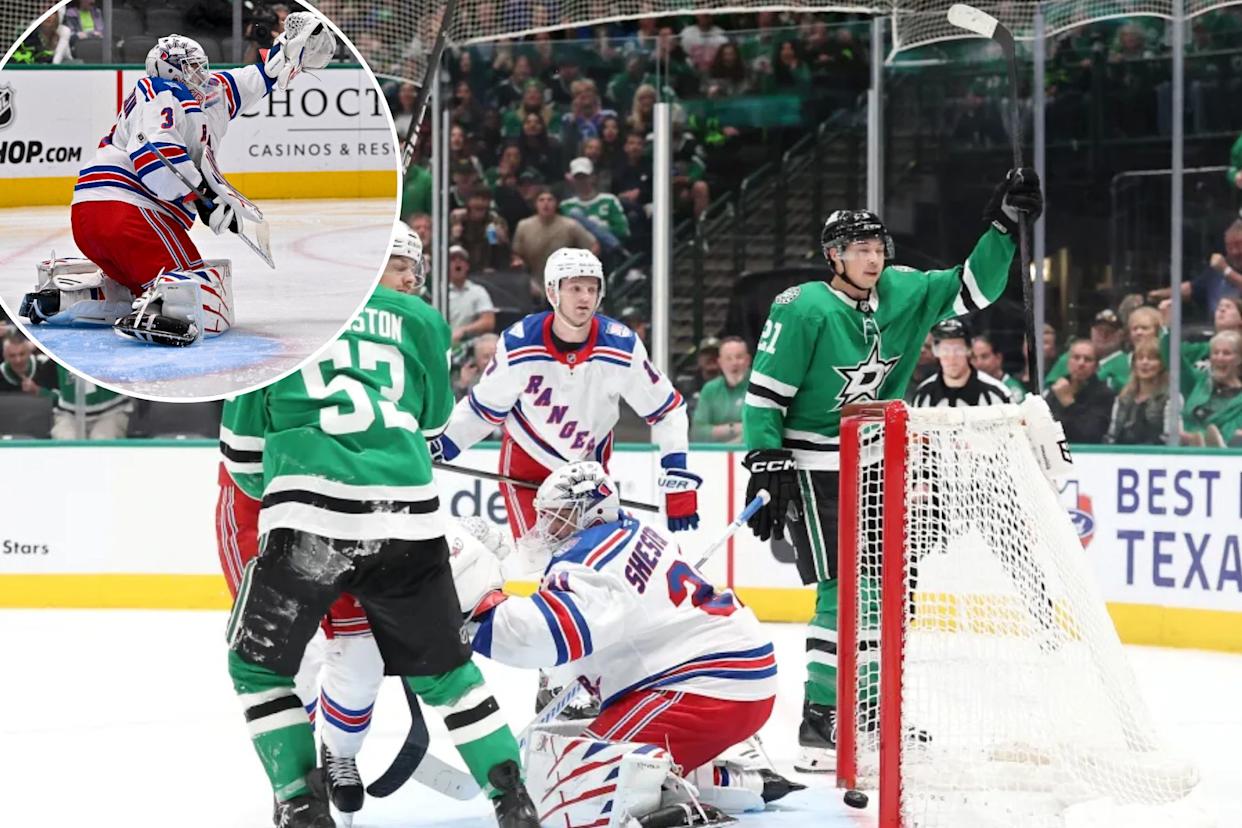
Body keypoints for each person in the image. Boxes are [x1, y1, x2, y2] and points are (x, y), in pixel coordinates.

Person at [223, 224, 538, 828]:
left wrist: (291, 497)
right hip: (411, 519)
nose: (411, 277)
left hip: (311, 518)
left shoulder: (286, 317)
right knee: (449, 674)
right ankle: (512, 801)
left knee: (258, 668)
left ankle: (299, 805)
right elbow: (432, 422)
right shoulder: (419, 317)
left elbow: (242, 459)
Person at [740, 168, 1043, 773]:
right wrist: (765, 457)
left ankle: (871, 713)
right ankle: (822, 721)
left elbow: (973, 289)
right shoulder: (801, 308)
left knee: (889, 595)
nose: (873, 257)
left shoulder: (906, 290)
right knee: (842, 592)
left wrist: (1004, 226)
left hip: (879, 462)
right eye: (859, 249)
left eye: (878, 247)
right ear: (834, 256)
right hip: (816, 465)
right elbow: (765, 394)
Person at [429, 247, 701, 717]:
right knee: (545, 572)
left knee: (598, 574)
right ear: (553, 291)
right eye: (574, 287)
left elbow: (668, 408)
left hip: (589, 482)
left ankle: (594, 673)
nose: (584, 297)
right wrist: (437, 449)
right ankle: (556, 681)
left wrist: (677, 475)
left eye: (592, 287)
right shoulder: (519, 342)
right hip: (527, 478)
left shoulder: (620, 345)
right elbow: (481, 411)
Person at [451, 461, 801, 822]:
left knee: (568, 789)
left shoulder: (592, 562)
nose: (547, 527)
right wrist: (501, 557)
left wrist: (471, 615)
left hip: (706, 689)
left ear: (593, 514)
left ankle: (677, 811)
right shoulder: (629, 531)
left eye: (559, 517)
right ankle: (736, 781)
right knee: (567, 769)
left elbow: (540, 637)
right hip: (730, 678)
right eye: (547, 516)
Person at [216, 225, 424, 820]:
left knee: (361, 660)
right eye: (399, 265)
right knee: (286, 658)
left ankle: (339, 752)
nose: (412, 278)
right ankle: (297, 785)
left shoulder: (402, 335)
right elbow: (247, 458)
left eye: (415, 266)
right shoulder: (299, 325)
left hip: (348, 512)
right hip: (264, 506)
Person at [19, 20, 336, 346]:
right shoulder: (162, 93)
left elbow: (257, 78)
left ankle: (63, 300)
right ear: (170, 71)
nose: (202, 75)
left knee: (136, 286)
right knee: (198, 291)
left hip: (91, 217)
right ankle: (165, 312)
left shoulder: (208, 91)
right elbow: (154, 154)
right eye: (192, 68)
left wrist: (288, 50)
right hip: (129, 215)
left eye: (201, 67)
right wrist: (202, 197)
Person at [1148, 221, 1242, 323]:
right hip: (1216, 331)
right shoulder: (1216, 271)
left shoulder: (1222, 267)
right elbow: (1192, 288)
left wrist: (1225, 270)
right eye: (1229, 246)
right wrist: (1159, 294)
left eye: (1238, 245)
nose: (1234, 251)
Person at [511, 189, 599, 294]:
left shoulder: (570, 225)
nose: (546, 203)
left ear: (556, 204)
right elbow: (516, 254)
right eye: (541, 200)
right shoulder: (523, 226)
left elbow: (594, 246)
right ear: (535, 204)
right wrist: (518, 262)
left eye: (550, 200)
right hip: (534, 280)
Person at [911, 319, 1013, 407]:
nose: (952, 357)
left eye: (958, 349)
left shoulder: (996, 394)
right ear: (936, 352)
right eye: (945, 350)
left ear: (969, 350)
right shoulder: (922, 395)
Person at [1044, 338, 1116, 443]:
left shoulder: (1104, 394)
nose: (1081, 363)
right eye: (1076, 358)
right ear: (1068, 362)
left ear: (1096, 366)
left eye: (1087, 359)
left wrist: (1069, 404)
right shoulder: (1057, 388)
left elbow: (1090, 435)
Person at [1180, 330, 1242, 447]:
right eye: (1215, 352)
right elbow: (1172, 358)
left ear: (1239, 359)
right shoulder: (1198, 381)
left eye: (1226, 353)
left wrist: (1196, 437)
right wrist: (1165, 327)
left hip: (1219, 458)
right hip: (1182, 453)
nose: (1219, 357)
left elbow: (1230, 435)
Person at [1044, 309, 1130, 392]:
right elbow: (1046, 390)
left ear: (1121, 335)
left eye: (1110, 331)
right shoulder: (1070, 356)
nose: (1104, 335)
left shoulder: (1128, 362)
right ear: (1091, 331)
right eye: (1099, 330)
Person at [561, 157, 630, 258]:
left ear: (593, 177)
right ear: (572, 180)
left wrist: (600, 232)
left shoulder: (609, 200)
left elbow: (623, 230)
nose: (581, 181)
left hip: (608, 252)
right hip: (579, 255)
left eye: (585, 177)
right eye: (578, 177)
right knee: (574, 213)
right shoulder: (566, 206)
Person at [1106, 340, 1172, 445]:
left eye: (1151, 358)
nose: (1144, 362)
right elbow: (1112, 435)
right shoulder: (1122, 398)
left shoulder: (1170, 398)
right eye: (1140, 358)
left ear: (1161, 365)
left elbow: (1170, 438)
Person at [691, 336, 751, 442]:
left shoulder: (759, 386)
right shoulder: (710, 389)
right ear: (720, 363)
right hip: (715, 456)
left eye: (739, 357)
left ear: (747, 360)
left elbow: (762, 428)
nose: (734, 363)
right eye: (728, 358)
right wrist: (733, 428)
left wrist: (732, 445)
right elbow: (697, 432)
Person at [446, 245, 498, 346]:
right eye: (452, 259)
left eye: (461, 259)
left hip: (469, 344)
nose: (457, 262)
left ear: (467, 266)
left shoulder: (478, 291)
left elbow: (489, 321)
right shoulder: (437, 292)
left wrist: (463, 331)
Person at [970, 331, 1027, 401]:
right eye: (974, 358)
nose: (979, 363)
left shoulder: (1013, 390)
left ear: (998, 358)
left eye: (984, 356)